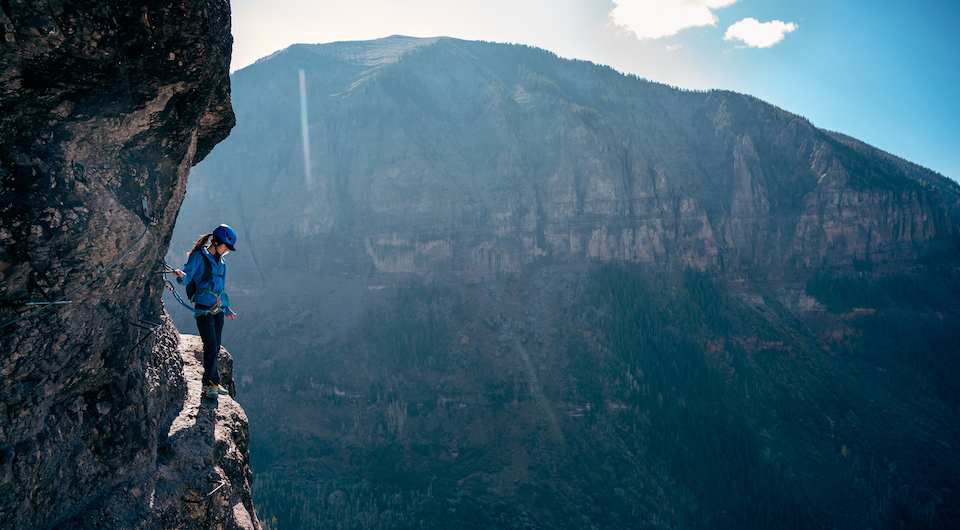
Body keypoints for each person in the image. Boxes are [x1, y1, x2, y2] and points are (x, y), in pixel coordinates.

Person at [174, 224, 238, 400]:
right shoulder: (198, 256)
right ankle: (208, 386)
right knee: (210, 345)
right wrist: (181, 276)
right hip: (203, 309)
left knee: (215, 346)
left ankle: (213, 383)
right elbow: (188, 275)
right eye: (225, 246)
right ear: (216, 242)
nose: (226, 251)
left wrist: (226, 308)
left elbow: (221, 288)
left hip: (217, 309)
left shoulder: (222, 263)